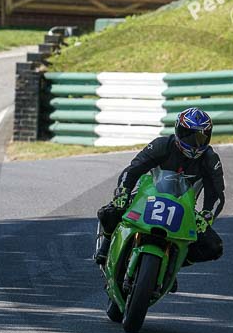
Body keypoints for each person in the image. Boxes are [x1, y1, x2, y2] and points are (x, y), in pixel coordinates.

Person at [95, 108, 225, 282]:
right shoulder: (161, 145)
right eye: (188, 135)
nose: (194, 142)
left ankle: (171, 265)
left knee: (213, 247)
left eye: (201, 137)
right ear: (178, 131)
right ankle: (106, 244)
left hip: (184, 209)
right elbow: (132, 170)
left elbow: (216, 195)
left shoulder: (211, 160)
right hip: (147, 197)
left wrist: (206, 216)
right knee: (109, 212)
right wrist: (123, 192)